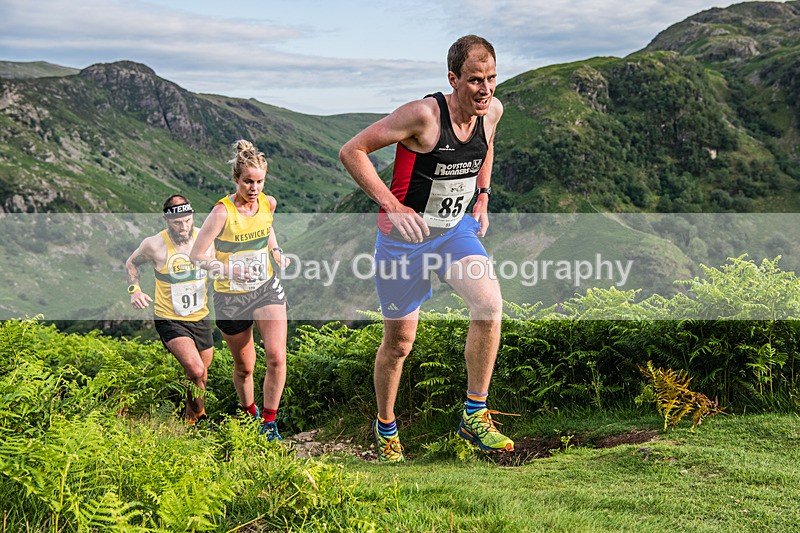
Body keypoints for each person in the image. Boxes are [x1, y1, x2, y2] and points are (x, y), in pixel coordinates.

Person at [339, 35, 513, 462]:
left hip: (453, 232)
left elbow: (485, 148)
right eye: (474, 80)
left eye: (491, 78)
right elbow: (352, 151)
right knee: (399, 343)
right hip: (404, 242)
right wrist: (392, 205)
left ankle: (475, 414)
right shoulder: (423, 115)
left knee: (489, 305)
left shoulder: (492, 110)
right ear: (453, 78)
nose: (485, 89)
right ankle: (385, 426)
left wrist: (483, 196)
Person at [190, 139, 290, 442]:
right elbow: (197, 256)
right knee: (245, 367)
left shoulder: (267, 203)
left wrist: (276, 252)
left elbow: (268, 229)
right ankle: (250, 414)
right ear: (236, 179)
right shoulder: (222, 212)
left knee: (276, 357)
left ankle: (269, 425)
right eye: (248, 181)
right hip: (231, 296)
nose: (254, 187)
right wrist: (228, 268)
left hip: (265, 288)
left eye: (260, 181)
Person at [125, 194, 214, 425]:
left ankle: (188, 423)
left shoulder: (205, 238)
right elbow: (131, 262)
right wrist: (135, 290)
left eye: (187, 220)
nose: (183, 227)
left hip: (201, 317)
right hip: (170, 319)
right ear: (166, 220)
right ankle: (203, 420)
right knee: (195, 371)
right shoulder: (154, 244)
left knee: (200, 376)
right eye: (177, 223)